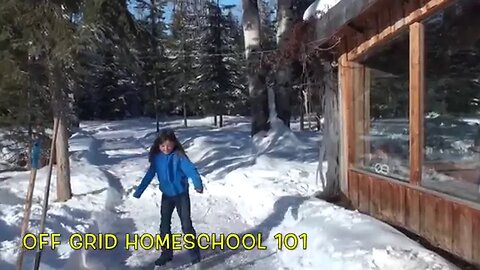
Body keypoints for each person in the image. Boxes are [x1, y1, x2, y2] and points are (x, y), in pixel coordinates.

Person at [133, 128, 203, 266]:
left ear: (174, 144)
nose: (166, 148)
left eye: (169, 145)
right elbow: (149, 175)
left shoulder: (179, 157)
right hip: (167, 196)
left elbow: (191, 170)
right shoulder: (157, 158)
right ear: (158, 146)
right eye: (163, 146)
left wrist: (197, 184)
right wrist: (139, 191)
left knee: (186, 225)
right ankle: (166, 254)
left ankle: (195, 256)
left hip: (181, 195)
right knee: (164, 225)